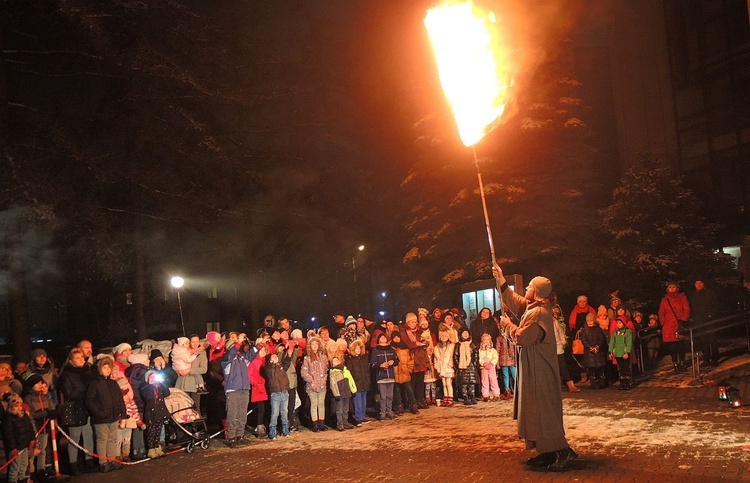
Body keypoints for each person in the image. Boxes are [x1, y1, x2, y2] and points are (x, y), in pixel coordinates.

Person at [493, 263, 577, 472]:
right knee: (536, 409)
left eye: (529, 286)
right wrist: (501, 279)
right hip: (534, 368)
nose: (526, 289)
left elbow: (523, 337)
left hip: (540, 371)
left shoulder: (539, 313)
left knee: (544, 409)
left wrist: (506, 325)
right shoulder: (534, 308)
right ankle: (546, 451)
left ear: (537, 293)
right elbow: (516, 301)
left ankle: (560, 450)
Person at [85, 357, 126, 473]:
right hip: (101, 418)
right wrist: (98, 412)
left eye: (109, 367)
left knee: (112, 439)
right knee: (102, 440)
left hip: (113, 416)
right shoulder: (95, 384)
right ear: (99, 369)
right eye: (104, 367)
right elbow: (89, 400)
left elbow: (119, 399)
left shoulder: (113, 384)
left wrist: (123, 413)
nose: (107, 370)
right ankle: (103, 462)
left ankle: (112, 460)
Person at [57, 348, 95, 474]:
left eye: (82, 357)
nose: (81, 360)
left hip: (88, 407)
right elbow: (68, 392)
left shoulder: (88, 372)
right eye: (77, 358)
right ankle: (73, 464)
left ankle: (88, 461)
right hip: (75, 408)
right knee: (75, 438)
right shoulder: (66, 375)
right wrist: (86, 395)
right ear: (71, 361)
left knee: (88, 436)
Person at [220, 333, 253, 448]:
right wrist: (238, 342)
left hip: (244, 388)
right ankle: (231, 438)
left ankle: (240, 435)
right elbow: (232, 353)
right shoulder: (227, 359)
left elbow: (252, 354)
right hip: (233, 389)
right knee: (232, 414)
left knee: (242, 413)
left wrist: (259, 345)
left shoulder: (242, 359)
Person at [22, 374, 56, 480]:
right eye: (37, 383)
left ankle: (41, 470)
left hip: (45, 427)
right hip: (35, 428)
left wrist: (52, 412)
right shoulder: (28, 398)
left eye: (41, 383)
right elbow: (30, 414)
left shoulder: (44, 396)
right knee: (33, 452)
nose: (40, 385)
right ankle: (31, 473)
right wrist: (45, 413)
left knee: (43, 450)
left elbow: (51, 407)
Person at [1, 393, 39, 483]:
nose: (19, 408)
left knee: (24, 465)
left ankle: (23, 480)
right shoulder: (8, 418)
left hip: (24, 446)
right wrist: (12, 448)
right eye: (16, 406)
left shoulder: (24, 416)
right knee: (15, 468)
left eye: (20, 405)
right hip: (16, 448)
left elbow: (30, 428)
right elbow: (8, 435)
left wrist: (32, 439)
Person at [658, 281, 690, 374]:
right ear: (668, 289)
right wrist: (663, 323)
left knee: (681, 346)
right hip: (669, 326)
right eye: (670, 287)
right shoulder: (664, 300)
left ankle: (682, 362)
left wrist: (684, 319)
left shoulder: (682, 297)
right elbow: (661, 312)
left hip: (679, 324)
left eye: (673, 287)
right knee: (673, 347)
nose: (672, 289)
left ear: (677, 288)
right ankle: (675, 364)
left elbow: (686, 309)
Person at [300, 336, 329, 432]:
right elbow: (304, 372)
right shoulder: (307, 358)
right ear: (310, 346)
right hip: (312, 385)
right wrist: (312, 380)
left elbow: (326, 370)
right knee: (314, 404)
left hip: (322, 385)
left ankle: (322, 423)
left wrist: (324, 380)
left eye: (316, 344)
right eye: (313, 344)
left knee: (321, 404)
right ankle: (315, 424)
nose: (315, 346)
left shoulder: (323, 357)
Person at [689, 278, 720, 366]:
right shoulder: (693, 295)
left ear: (704, 284)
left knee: (712, 339)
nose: (698, 285)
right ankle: (706, 358)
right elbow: (691, 307)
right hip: (698, 321)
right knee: (703, 340)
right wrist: (692, 317)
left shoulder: (710, 293)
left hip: (709, 320)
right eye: (696, 283)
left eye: (700, 283)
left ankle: (714, 358)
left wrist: (711, 315)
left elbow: (716, 305)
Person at [139, 370, 170, 458]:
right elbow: (148, 397)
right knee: (151, 432)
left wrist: (162, 383)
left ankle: (157, 447)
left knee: (158, 431)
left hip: (160, 412)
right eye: (151, 377)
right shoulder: (145, 387)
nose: (153, 379)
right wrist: (151, 385)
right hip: (151, 413)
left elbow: (167, 393)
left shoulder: (159, 387)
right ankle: (151, 449)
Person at [175, 335, 208, 411]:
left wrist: (189, 370)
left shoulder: (201, 353)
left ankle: (197, 421)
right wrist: (179, 371)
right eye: (193, 342)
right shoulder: (183, 351)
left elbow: (204, 369)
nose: (195, 344)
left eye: (197, 341)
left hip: (195, 383)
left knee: (195, 406)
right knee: (184, 407)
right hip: (182, 382)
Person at [370, 333, 399, 420]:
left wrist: (393, 362)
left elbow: (397, 360)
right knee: (383, 396)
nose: (383, 338)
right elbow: (372, 364)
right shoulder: (375, 350)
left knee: (390, 395)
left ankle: (389, 411)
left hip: (390, 375)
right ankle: (382, 412)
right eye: (381, 337)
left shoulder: (391, 350)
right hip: (381, 376)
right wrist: (381, 365)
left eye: (384, 337)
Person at [553, 305, 579, 393]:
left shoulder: (555, 321)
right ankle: (555, 386)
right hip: (548, 348)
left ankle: (570, 385)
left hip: (557, 347)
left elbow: (560, 333)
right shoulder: (544, 321)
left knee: (563, 366)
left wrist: (563, 342)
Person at [265, 352, 291, 439]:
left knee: (284, 412)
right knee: (275, 413)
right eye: (273, 357)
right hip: (275, 393)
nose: (275, 358)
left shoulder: (281, 367)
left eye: (276, 357)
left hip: (284, 392)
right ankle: (272, 430)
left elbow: (287, 363)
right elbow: (267, 369)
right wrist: (271, 363)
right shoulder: (269, 369)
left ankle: (285, 429)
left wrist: (289, 355)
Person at [390, 330, 417, 415]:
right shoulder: (391, 348)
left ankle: (413, 406)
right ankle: (399, 407)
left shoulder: (405, 347)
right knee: (397, 391)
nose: (396, 339)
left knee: (409, 390)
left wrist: (409, 369)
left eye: (398, 337)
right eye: (394, 337)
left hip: (405, 371)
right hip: (396, 372)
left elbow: (410, 360)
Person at [580, 313, 609, 389]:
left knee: (600, 368)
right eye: (588, 321)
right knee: (591, 369)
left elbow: (601, 339)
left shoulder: (598, 329)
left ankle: (602, 382)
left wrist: (597, 347)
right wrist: (590, 347)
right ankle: (594, 383)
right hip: (589, 352)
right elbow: (583, 340)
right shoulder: (584, 330)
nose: (589, 322)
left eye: (591, 320)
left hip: (598, 352)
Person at [345, 340, 370, 426]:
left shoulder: (364, 359)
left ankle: (362, 416)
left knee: (363, 400)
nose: (358, 350)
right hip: (356, 383)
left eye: (359, 348)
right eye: (356, 348)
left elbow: (367, 371)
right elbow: (350, 373)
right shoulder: (350, 360)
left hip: (364, 382)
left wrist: (367, 380)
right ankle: (358, 418)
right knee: (357, 401)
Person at [328, 356, 356, 431]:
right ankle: (339, 424)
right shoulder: (333, 373)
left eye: (337, 360)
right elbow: (333, 385)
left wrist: (353, 390)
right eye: (334, 361)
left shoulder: (345, 370)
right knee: (339, 410)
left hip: (346, 392)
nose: (336, 362)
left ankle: (345, 422)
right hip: (339, 394)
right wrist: (336, 394)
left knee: (346, 409)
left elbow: (351, 381)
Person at [494, 311, 517, 400]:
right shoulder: (499, 338)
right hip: (503, 360)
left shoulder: (512, 337)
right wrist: (497, 362)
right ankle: (507, 390)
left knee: (515, 375)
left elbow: (515, 349)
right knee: (505, 376)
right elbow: (498, 350)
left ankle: (517, 389)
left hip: (512, 360)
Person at [248, 342, 269, 439]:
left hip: (265, 387)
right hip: (259, 388)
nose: (263, 352)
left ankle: (264, 426)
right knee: (261, 409)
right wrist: (256, 383)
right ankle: (260, 428)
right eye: (261, 350)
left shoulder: (264, 361)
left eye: (265, 350)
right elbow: (250, 375)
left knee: (265, 408)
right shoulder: (255, 361)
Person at [454, 328, 479, 405]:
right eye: (463, 333)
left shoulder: (472, 344)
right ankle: (465, 397)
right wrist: (458, 365)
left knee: (471, 383)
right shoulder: (458, 345)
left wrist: (475, 363)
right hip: (462, 366)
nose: (465, 335)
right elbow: (456, 355)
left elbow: (476, 354)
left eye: (467, 333)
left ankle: (472, 396)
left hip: (471, 366)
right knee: (463, 383)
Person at [433, 323, 456, 406]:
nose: (443, 338)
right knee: (444, 383)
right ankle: (445, 397)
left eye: (445, 336)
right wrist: (437, 367)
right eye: (442, 336)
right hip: (441, 367)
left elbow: (452, 356)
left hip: (448, 367)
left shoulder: (451, 346)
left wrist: (451, 364)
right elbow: (436, 358)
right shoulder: (437, 347)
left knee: (449, 383)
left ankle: (450, 397)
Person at [609, 318, 634, 390]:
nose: (618, 324)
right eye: (617, 323)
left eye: (620, 323)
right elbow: (612, 342)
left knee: (626, 368)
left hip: (624, 353)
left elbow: (629, 343)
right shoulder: (615, 332)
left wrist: (627, 352)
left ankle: (628, 383)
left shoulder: (628, 332)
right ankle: (623, 383)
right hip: (617, 353)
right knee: (620, 369)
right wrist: (610, 351)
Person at [478, 333, 500, 401]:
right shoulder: (480, 351)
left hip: (491, 367)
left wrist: (491, 363)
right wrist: (483, 363)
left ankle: (496, 394)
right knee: (485, 381)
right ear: (482, 341)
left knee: (493, 380)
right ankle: (485, 395)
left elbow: (495, 357)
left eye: (488, 339)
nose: (486, 341)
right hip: (484, 368)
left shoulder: (493, 350)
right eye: (484, 340)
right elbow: (479, 358)